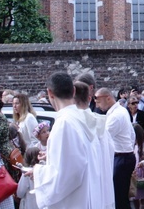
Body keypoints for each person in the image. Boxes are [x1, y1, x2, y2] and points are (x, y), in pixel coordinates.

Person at [27, 72, 114, 209]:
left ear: (50, 93)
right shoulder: (82, 118)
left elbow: (67, 176)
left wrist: (38, 172)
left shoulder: (64, 124)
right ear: (73, 91)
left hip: (74, 201)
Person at [95, 87, 136, 209]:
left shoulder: (116, 115)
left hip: (121, 158)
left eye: (98, 101)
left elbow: (101, 138)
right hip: (123, 156)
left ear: (108, 98)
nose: (96, 105)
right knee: (120, 197)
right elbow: (131, 134)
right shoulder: (119, 111)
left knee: (119, 198)